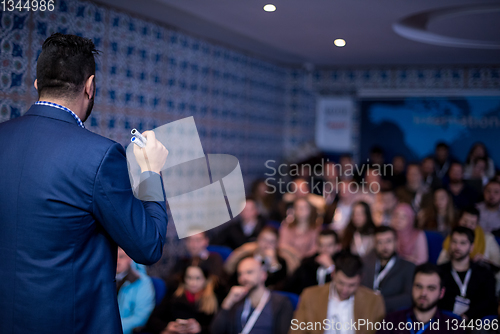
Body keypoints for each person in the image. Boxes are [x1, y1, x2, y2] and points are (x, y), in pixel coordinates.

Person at [0, 33, 169, 333]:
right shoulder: (99, 156)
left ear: (37, 84)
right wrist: (151, 172)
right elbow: (148, 246)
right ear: (90, 86)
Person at [290, 252, 385, 334]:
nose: (345, 290)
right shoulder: (311, 296)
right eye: (341, 283)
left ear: (360, 279)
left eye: (352, 285)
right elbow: (297, 331)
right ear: (333, 274)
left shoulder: (373, 301)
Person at [211, 257, 293, 334]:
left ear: (263, 275)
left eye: (249, 272)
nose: (244, 278)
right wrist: (227, 302)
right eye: (240, 274)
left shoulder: (281, 302)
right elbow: (216, 331)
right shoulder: (236, 302)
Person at [377, 263, 466, 334]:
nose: (423, 293)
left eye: (431, 288)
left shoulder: (453, 327)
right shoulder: (391, 320)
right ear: (412, 287)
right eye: (419, 286)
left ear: (441, 293)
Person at [438, 226, 497, 320]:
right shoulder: (439, 271)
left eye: (463, 243)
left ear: (471, 247)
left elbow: (488, 302)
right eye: (454, 241)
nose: (457, 246)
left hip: (475, 324)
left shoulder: (484, 273)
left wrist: (467, 316)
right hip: (445, 322)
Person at [144, 261, 218, 334]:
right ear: (183, 279)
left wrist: (200, 328)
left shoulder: (214, 297)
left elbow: (218, 327)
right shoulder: (174, 293)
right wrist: (167, 326)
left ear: (206, 279)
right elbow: (153, 319)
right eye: (189, 278)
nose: (193, 283)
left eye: (198, 278)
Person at [361, 226, 415, 313]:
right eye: (380, 242)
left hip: (392, 315)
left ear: (396, 242)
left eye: (388, 241)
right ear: (375, 244)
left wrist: (379, 302)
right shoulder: (364, 263)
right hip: (364, 312)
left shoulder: (408, 267)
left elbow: (408, 298)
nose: (384, 246)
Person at [224, 227, 290, 289]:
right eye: (264, 240)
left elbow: (281, 287)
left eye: (271, 242)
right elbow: (233, 281)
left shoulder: (281, 262)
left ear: (276, 244)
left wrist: (273, 264)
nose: (267, 245)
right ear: (258, 240)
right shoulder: (246, 258)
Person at [284, 230, 340, 295]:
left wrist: (331, 267)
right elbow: (289, 284)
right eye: (321, 245)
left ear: (337, 246)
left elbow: (344, 287)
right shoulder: (308, 263)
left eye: (329, 245)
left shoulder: (343, 262)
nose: (324, 249)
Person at [116, 248, 155, 334]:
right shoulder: (102, 280)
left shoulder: (142, 282)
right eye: (114, 257)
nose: (117, 261)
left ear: (129, 259)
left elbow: (140, 318)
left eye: (121, 257)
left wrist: (110, 328)